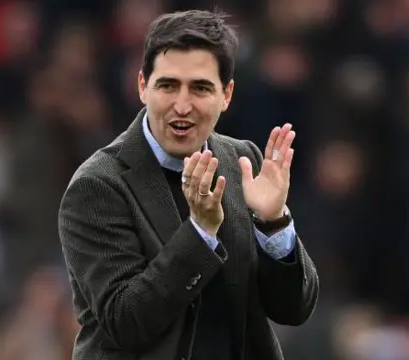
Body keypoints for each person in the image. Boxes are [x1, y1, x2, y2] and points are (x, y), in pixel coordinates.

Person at [57, 9, 319, 360]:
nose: (182, 105)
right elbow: (125, 321)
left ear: (226, 95)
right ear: (142, 87)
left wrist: (274, 225)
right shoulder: (97, 186)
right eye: (168, 85)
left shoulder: (244, 163)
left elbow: (294, 310)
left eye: (200, 88)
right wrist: (200, 234)